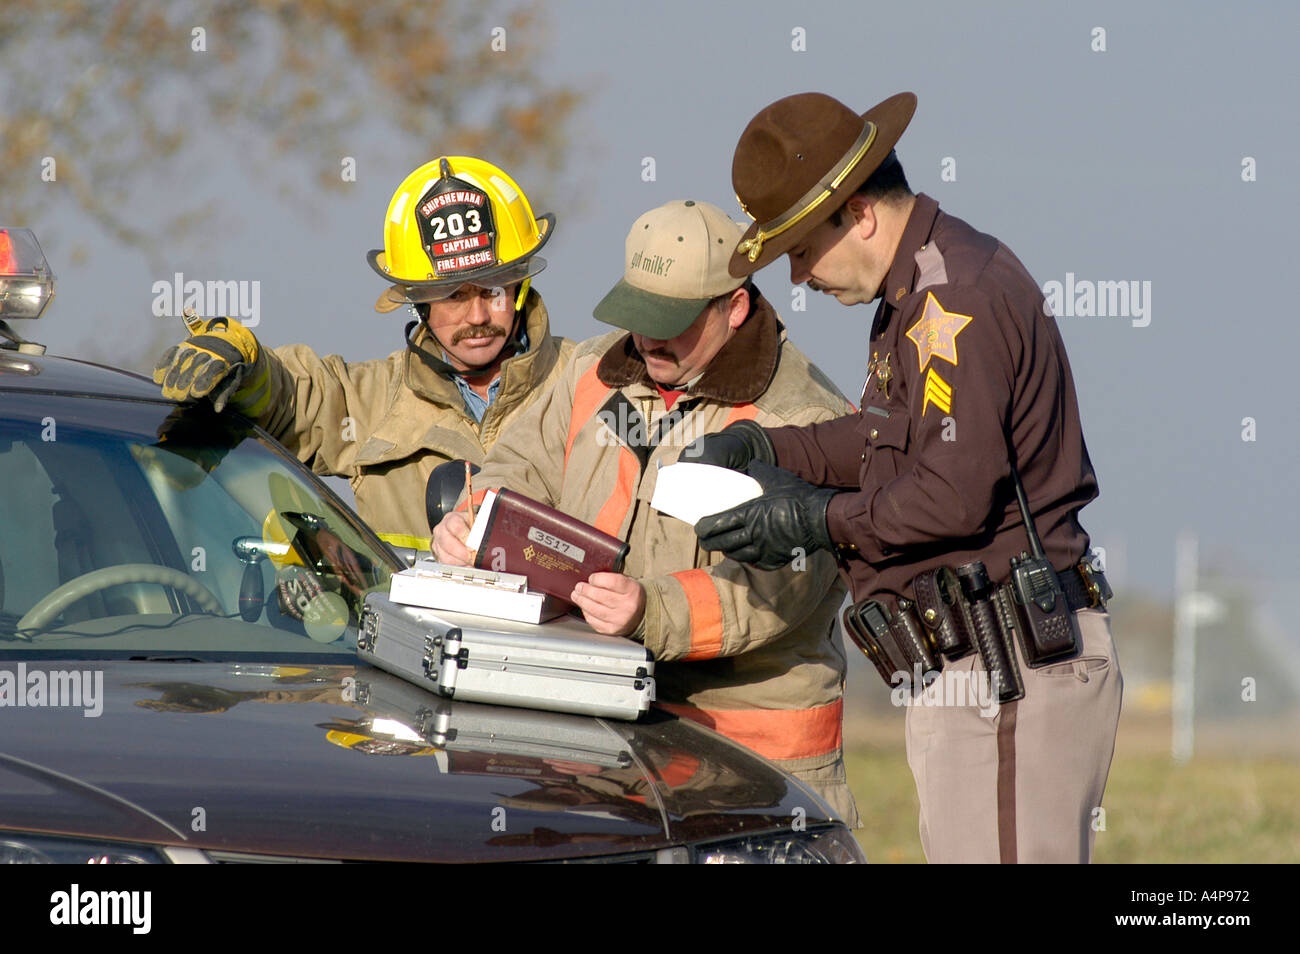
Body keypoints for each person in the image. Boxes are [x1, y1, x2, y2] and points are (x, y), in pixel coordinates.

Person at [691, 92, 1122, 863]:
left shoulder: (954, 295)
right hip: (982, 671)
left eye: (798, 247)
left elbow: (952, 494)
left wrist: (812, 520)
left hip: (1012, 666)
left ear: (856, 213)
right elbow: (885, 442)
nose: (794, 275)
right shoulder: (918, 288)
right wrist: (768, 447)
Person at [432, 200, 859, 823]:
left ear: (734, 308)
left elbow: (778, 585)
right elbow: (521, 462)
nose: (650, 337)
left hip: (755, 768)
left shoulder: (806, 419)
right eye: (639, 314)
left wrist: (648, 610)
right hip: (598, 735)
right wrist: (475, 516)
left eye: (673, 320)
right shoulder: (590, 371)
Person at [153, 156, 574, 550]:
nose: (478, 315)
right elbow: (294, 398)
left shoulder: (589, 384)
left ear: (521, 285)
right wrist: (245, 363)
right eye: (454, 296)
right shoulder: (371, 402)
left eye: (493, 289)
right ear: (419, 301)